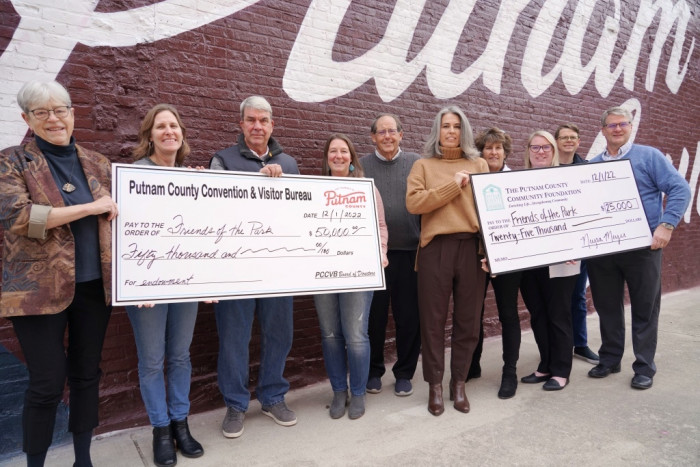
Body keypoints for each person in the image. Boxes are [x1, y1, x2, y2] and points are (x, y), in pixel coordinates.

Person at [0, 80, 118, 467]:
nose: (53, 119)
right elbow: (22, 219)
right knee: (46, 383)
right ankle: (36, 463)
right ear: (27, 119)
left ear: (72, 113)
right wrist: (90, 207)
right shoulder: (11, 161)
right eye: (42, 112)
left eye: (60, 110)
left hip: (92, 289)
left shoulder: (98, 162)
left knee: (86, 375)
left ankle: (83, 459)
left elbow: (129, 214)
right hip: (36, 292)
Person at [209, 96, 299, 438]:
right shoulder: (223, 160)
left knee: (279, 333)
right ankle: (235, 403)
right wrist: (256, 183)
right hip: (237, 269)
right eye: (251, 120)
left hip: (279, 267)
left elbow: (300, 214)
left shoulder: (289, 163)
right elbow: (213, 211)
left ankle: (273, 396)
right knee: (235, 337)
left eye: (263, 120)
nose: (257, 126)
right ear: (241, 124)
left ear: (272, 125)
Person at [586, 107, 690, 389]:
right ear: (603, 130)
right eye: (611, 125)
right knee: (607, 306)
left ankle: (644, 366)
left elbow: (680, 189)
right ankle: (609, 358)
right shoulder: (592, 165)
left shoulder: (649, 156)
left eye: (622, 124)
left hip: (643, 248)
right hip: (604, 249)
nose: (617, 129)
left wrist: (667, 225)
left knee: (645, 308)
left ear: (630, 127)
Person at [125, 104, 203, 467]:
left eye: (174, 125)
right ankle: (160, 430)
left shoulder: (192, 179)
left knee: (180, 356)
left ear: (181, 133)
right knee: (153, 361)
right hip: (148, 288)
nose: (169, 131)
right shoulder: (136, 175)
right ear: (149, 135)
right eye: (161, 126)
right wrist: (136, 283)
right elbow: (125, 233)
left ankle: (180, 424)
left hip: (184, 283)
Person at [406, 106, 489, 415]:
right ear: (436, 132)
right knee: (432, 322)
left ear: (464, 131)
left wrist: (490, 254)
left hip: (471, 248)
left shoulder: (479, 164)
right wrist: (454, 184)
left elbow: (488, 212)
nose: (451, 131)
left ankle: (459, 384)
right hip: (435, 250)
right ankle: (435, 386)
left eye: (456, 126)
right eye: (445, 126)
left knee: (468, 322)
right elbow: (414, 203)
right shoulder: (422, 166)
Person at [315, 134, 389, 419]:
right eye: (332, 151)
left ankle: (358, 392)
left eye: (343, 151)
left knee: (356, 335)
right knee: (331, 334)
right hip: (322, 274)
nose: (338, 155)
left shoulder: (366, 189)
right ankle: (338, 391)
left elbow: (380, 226)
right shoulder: (314, 189)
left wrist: (381, 252)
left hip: (358, 271)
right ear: (326, 158)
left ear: (351, 157)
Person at [360, 114, 421, 397]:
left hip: (411, 252)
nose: (387, 136)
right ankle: (373, 371)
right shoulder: (360, 165)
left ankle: (405, 372)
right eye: (381, 132)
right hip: (374, 256)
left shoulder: (416, 163)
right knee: (374, 318)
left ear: (401, 134)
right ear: (372, 137)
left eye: (392, 131)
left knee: (409, 317)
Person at [518, 131, 580, 391]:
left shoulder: (567, 179)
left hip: (561, 262)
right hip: (529, 263)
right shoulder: (517, 182)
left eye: (546, 147)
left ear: (554, 151)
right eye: (535, 147)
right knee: (538, 316)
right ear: (528, 151)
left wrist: (575, 245)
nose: (540, 152)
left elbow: (580, 214)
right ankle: (545, 365)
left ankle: (561, 370)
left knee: (558, 316)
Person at [471, 127, 524, 399]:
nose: (493, 152)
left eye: (498, 148)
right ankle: (473, 364)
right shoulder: (471, 178)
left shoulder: (514, 181)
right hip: (476, 257)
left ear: (505, 152)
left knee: (508, 314)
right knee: (472, 312)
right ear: (481, 152)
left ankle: (509, 372)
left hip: (507, 258)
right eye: (488, 148)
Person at [554, 123, 599, 365]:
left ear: (579, 142)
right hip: (552, 244)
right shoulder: (546, 168)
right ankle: (556, 346)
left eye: (573, 137)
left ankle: (580, 344)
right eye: (564, 138)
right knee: (553, 298)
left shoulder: (587, 170)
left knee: (578, 296)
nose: (569, 141)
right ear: (556, 141)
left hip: (579, 244)